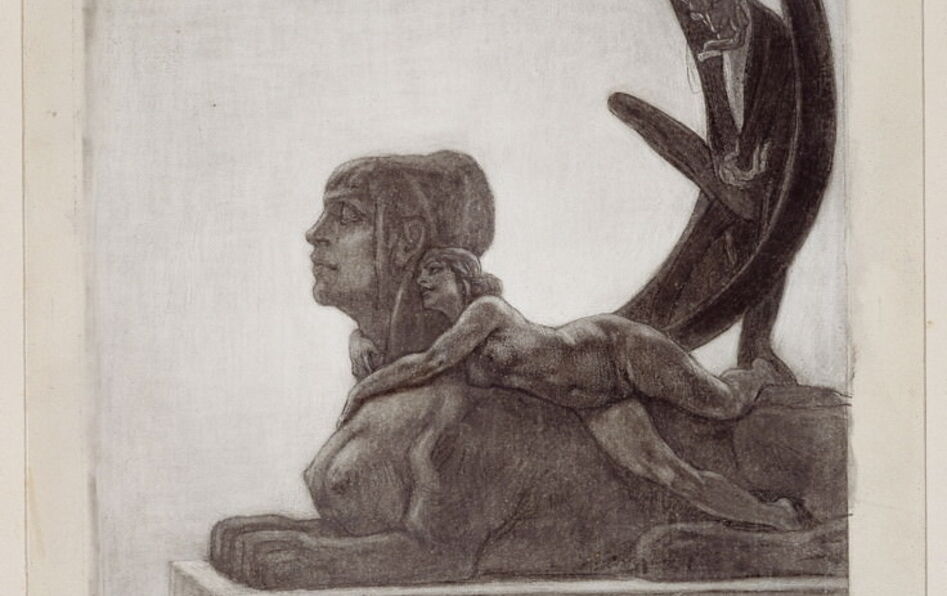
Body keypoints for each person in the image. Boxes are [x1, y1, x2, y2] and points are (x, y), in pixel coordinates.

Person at [341, 247, 806, 531]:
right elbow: (413, 361)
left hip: (617, 349)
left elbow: (428, 362)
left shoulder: (486, 311)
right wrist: (357, 338)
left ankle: (757, 372)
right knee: (672, 476)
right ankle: (776, 516)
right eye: (420, 275)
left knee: (725, 404)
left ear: (462, 276)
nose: (422, 281)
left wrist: (359, 393)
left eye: (433, 271)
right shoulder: (459, 345)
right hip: (598, 406)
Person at [614, 0, 798, 377]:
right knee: (704, 248)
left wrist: (748, 158)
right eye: (697, 14)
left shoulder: (772, 38)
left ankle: (754, 350)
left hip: (763, 180)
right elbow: (722, 117)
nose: (703, 21)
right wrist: (729, 160)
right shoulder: (716, 43)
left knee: (749, 248)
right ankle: (655, 331)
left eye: (707, 11)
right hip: (730, 179)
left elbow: (775, 111)